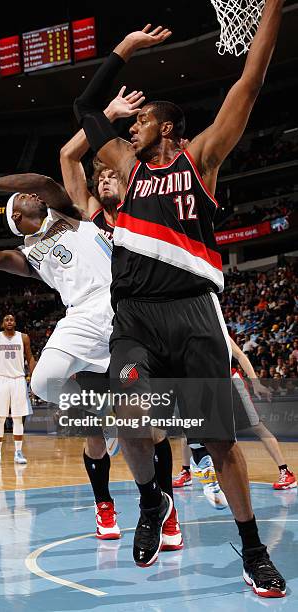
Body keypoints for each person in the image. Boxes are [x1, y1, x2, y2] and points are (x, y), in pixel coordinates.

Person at [74, 0, 286, 596]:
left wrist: (271, 6)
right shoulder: (122, 165)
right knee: (130, 416)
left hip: (193, 313)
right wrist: (126, 47)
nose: (130, 124)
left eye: (142, 120)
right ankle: (151, 499)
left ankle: (252, 550)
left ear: (167, 126)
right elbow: (87, 106)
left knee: (220, 443)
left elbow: (252, 77)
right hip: (135, 316)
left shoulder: (203, 159)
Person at [0, 164, 181, 548]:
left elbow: (44, 183)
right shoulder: (28, 254)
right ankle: (102, 415)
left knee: (145, 425)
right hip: (80, 314)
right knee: (43, 382)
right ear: (17, 217)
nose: (34, 197)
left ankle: (166, 513)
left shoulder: (70, 215)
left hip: (123, 305)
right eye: (24, 201)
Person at [60, 91, 182, 549]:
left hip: (141, 330)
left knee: (151, 429)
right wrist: (105, 114)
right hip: (93, 332)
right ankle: (104, 507)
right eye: (103, 174)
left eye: (116, 173)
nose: (108, 178)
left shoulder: (144, 209)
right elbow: (68, 155)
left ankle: (163, 514)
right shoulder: (90, 217)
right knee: (91, 426)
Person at [175, 337, 296, 493]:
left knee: (257, 427)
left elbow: (240, 355)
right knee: (190, 425)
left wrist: (256, 382)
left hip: (232, 382)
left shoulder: (218, 330)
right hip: (208, 386)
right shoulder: (188, 335)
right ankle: (186, 471)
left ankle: (285, 471)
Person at [0, 313, 36, 466]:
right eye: (6, 319)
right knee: (0, 418)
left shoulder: (23, 338)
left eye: (11, 319)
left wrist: (33, 377)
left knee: (18, 418)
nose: (9, 321)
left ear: (15, 322)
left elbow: (30, 358)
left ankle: (18, 452)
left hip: (18, 380)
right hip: (1, 379)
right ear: (3, 323)